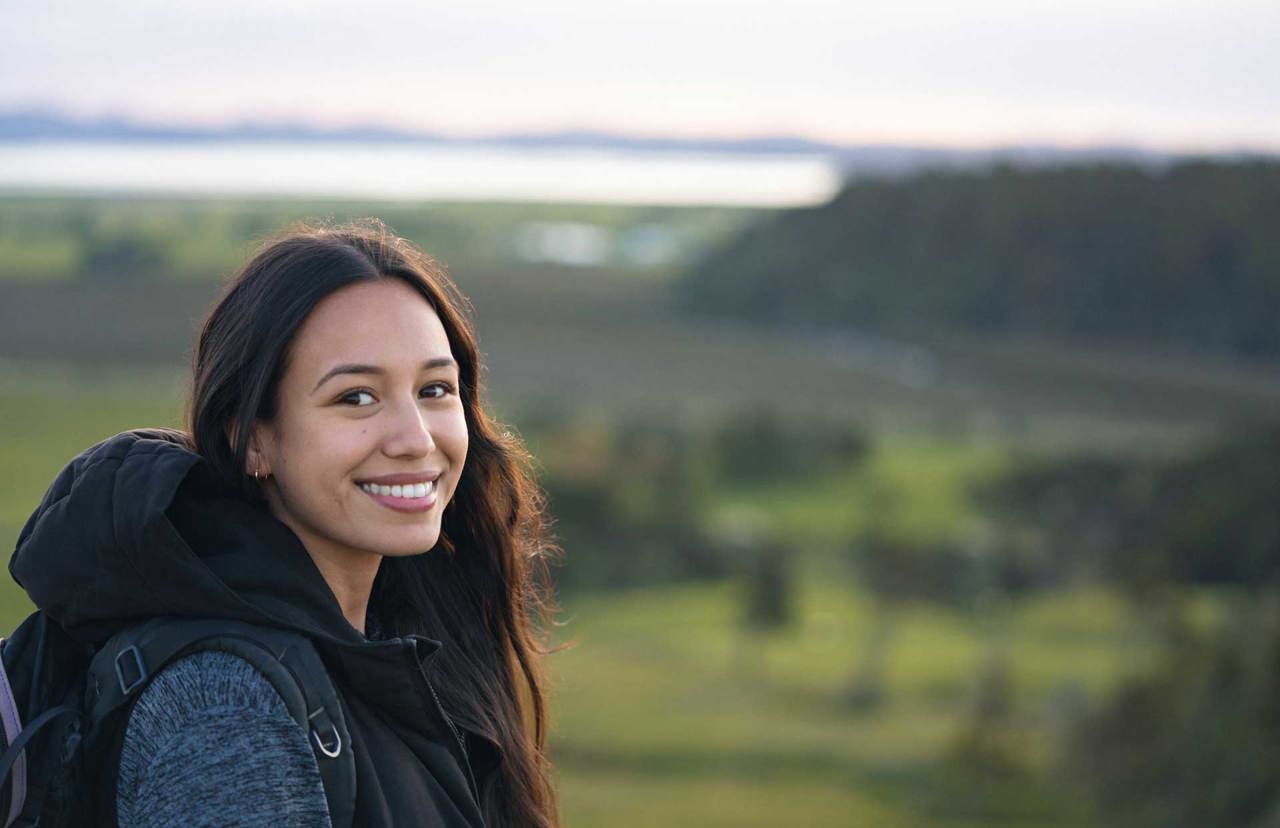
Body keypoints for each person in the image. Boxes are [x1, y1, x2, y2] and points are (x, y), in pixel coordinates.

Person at [10, 220, 561, 827]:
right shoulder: (223, 709)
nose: (415, 438)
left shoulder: (396, 640)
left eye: (435, 389)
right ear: (252, 441)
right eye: (356, 397)